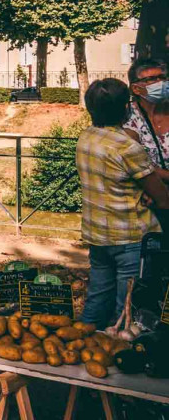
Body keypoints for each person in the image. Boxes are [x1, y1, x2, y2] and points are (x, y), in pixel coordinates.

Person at [77, 78, 169, 329]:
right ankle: (120, 356)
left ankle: (81, 346)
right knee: (126, 309)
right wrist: (150, 194)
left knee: (96, 300)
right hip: (131, 239)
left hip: (98, 235)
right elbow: (162, 198)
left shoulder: (86, 139)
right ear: (126, 108)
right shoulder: (129, 148)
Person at [124, 58, 169, 170]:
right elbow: (140, 166)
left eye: (162, 77)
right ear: (136, 89)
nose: (161, 83)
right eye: (152, 79)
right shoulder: (127, 118)